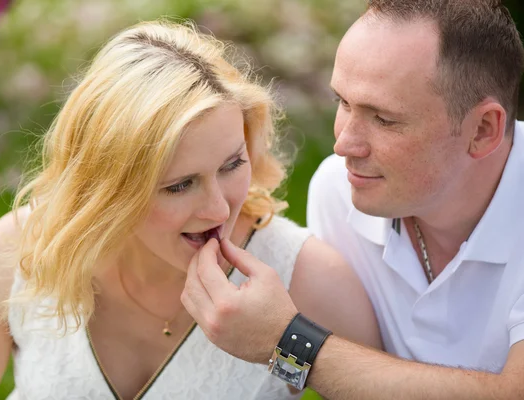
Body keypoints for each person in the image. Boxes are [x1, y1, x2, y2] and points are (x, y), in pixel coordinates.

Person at [0, 20, 381, 400]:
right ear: (109, 188)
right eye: (179, 185)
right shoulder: (23, 248)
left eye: (232, 164)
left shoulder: (304, 275)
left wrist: (285, 343)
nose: (219, 208)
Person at [181, 1, 524, 398]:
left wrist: (284, 339)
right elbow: (345, 383)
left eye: (383, 119)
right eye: (343, 102)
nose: (343, 144)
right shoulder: (338, 191)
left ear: (483, 129)